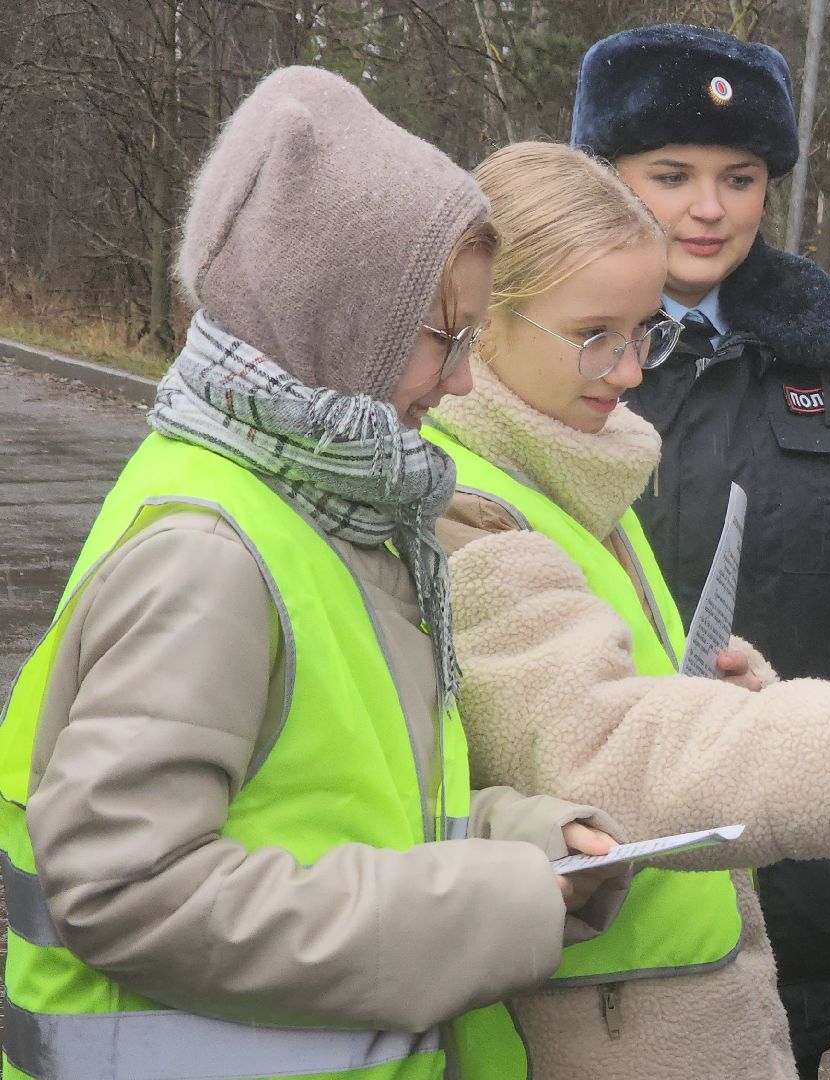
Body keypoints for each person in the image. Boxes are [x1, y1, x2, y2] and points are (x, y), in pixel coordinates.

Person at [0, 69, 630, 1079]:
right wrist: (484, 905)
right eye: (443, 339)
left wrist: (525, 845)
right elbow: (125, 889)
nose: (463, 379)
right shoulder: (212, 555)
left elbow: (336, 812)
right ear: (340, 319)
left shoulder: (324, 509)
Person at [424, 140, 830, 1079]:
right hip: (587, 1028)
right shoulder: (468, 502)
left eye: (645, 332)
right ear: (482, 319)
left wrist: (736, 691)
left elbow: (632, 692)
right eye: (597, 334)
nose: (634, 370)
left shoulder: (571, 461)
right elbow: (597, 746)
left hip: (649, 1002)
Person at [571, 25, 830, 1073]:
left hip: (795, 874)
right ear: (603, 176)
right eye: (671, 174)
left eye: (739, 177)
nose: (708, 209)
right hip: (583, 871)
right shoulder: (538, 354)